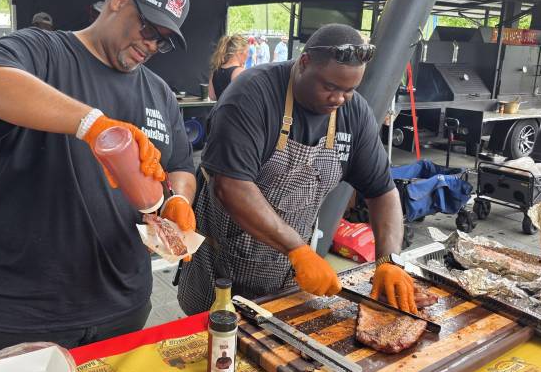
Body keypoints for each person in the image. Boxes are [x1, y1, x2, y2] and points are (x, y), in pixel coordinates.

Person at [0, 0, 197, 372]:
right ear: (119, 1)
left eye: (162, 41)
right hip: (10, 310)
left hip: (119, 305)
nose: (150, 44)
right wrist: (92, 124)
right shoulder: (43, 51)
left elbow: (180, 163)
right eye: (148, 29)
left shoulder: (158, 92)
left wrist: (179, 198)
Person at [177, 24, 416, 316]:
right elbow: (230, 186)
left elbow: (383, 191)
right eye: (330, 86)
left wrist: (388, 260)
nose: (338, 99)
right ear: (304, 63)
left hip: (287, 274)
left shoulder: (354, 114)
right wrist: (298, 249)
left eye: (349, 90)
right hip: (220, 270)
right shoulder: (252, 95)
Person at [208, 34, 249, 100]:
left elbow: (212, 96)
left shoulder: (215, 72)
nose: (248, 55)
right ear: (239, 53)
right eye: (247, 52)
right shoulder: (239, 72)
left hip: (220, 109)